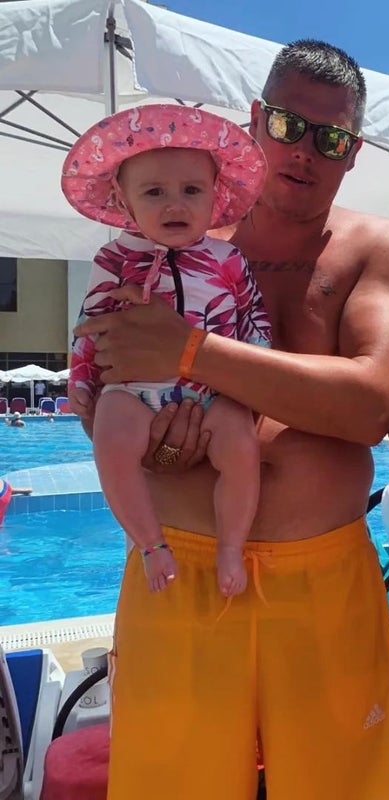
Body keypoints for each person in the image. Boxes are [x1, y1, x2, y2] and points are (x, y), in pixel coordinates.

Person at [72, 40, 389, 800]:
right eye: (289, 126)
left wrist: (190, 352)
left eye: (330, 138)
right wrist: (153, 441)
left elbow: (369, 406)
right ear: (255, 122)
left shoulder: (382, 247)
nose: (305, 152)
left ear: (353, 152)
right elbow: (100, 391)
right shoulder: (159, 243)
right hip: (178, 568)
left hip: (324, 574)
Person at [63, 104, 271, 597]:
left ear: (215, 195)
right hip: (132, 391)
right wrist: (81, 380)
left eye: (191, 191)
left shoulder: (227, 258)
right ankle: (151, 543)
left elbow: (252, 315)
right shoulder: (114, 259)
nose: (174, 205)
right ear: (124, 200)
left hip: (211, 390)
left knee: (242, 448)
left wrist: (257, 377)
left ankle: (230, 546)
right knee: (110, 441)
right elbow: (89, 326)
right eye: (154, 192)